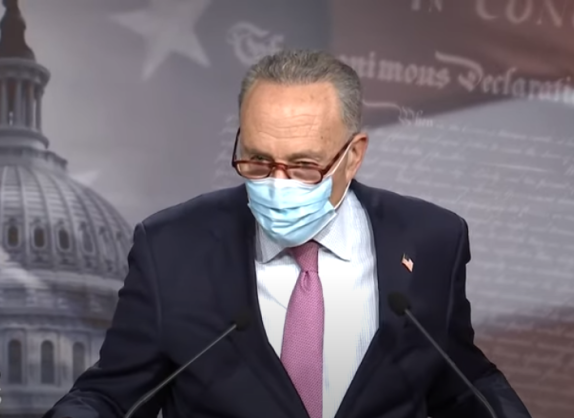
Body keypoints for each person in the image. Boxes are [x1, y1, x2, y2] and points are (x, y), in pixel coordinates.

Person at [45, 49, 531, 418]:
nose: (276, 183)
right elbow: (108, 395)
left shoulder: (431, 241)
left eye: (302, 166)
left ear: (353, 155)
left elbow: (462, 379)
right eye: (257, 160)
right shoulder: (172, 248)